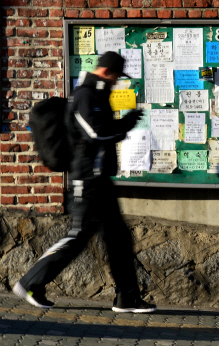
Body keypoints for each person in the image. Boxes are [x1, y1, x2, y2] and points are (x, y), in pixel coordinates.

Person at [13, 51, 156, 313]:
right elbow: (95, 134)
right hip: (86, 180)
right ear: (107, 72)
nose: (116, 83)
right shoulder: (85, 96)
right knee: (78, 236)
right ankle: (30, 282)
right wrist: (125, 124)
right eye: (116, 77)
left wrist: (122, 124)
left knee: (119, 239)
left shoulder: (98, 94)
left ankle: (127, 298)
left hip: (100, 181)